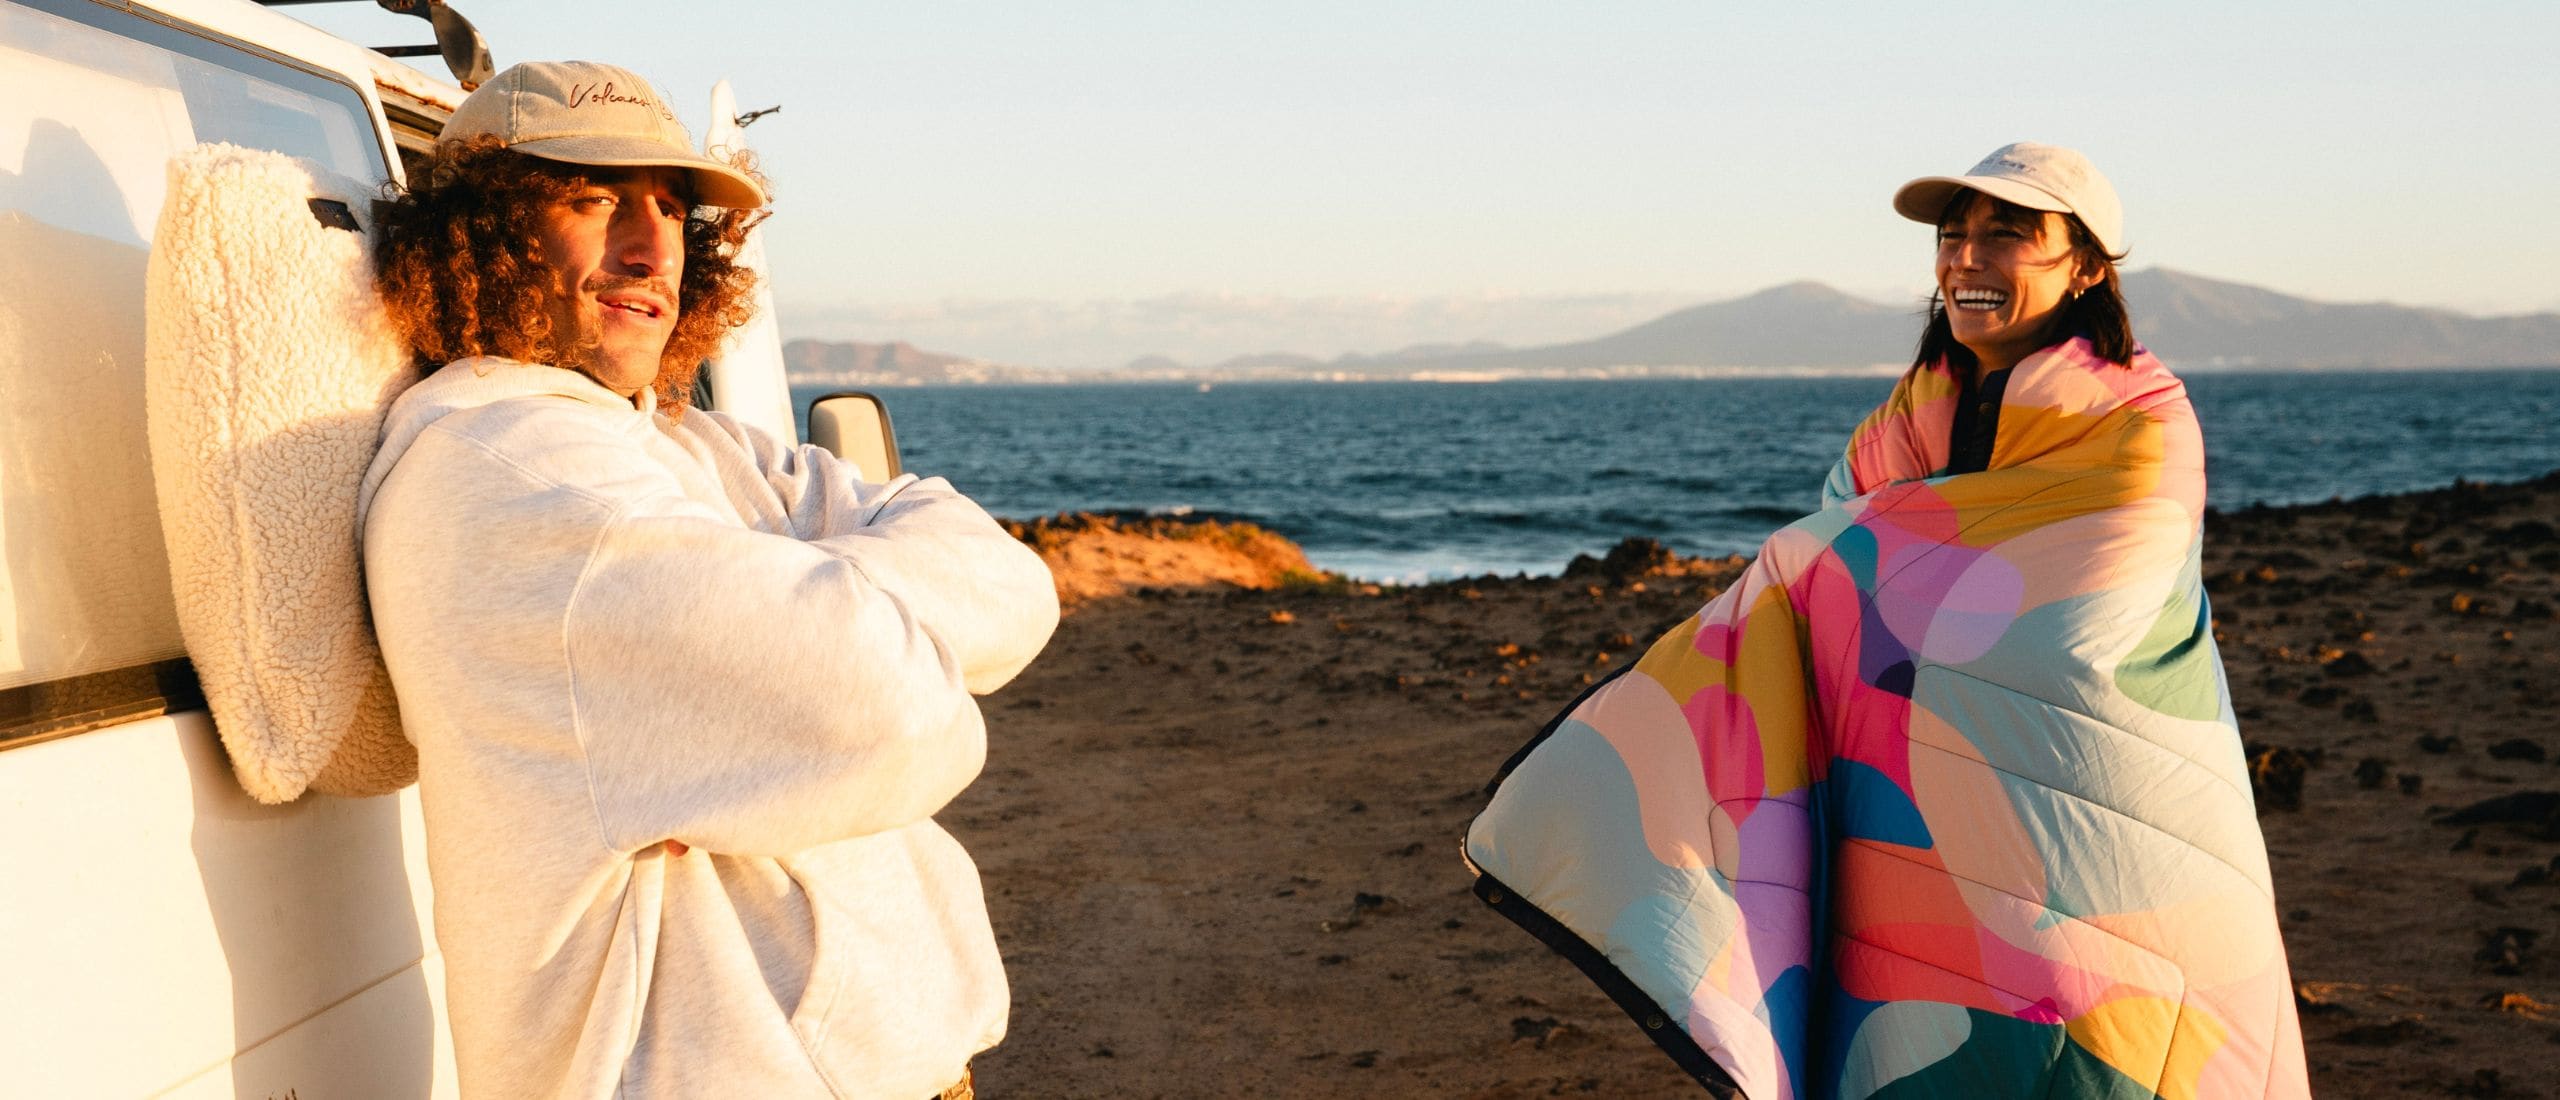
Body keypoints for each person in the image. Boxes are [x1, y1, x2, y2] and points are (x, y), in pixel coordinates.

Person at [1465, 143, 2311, 1098]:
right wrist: (1832, 564)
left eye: (2007, 233)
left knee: (2113, 1029)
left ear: (2085, 267)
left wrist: (1823, 560)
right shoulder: (1909, 418)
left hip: (2110, 800)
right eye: (1953, 235)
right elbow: (1849, 570)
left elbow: (2071, 620)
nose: (1966, 257)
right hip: (1917, 817)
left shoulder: (2140, 424)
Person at [358, 60, 1059, 1099]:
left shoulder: (692, 445)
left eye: (672, 209)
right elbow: (897, 713)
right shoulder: (519, 478)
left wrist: (804, 605)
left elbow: (1015, 585)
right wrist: (841, 620)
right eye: (594, 199)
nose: (652, 248)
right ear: (481, 231)